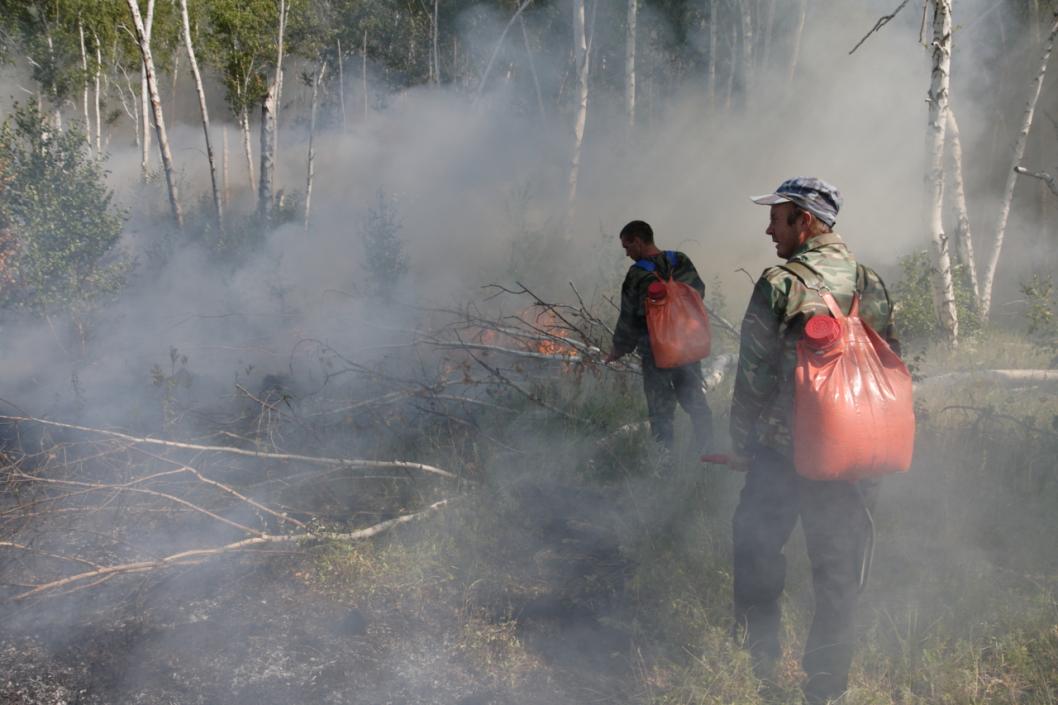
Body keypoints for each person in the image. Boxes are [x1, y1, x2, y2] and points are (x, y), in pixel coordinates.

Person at [729, 178, 899, 704]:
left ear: (805, 221)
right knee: (837, 571)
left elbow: (753, 371)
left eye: (777, 217)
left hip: (783, 451)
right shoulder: (868, 281)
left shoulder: (779, 282)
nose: (768, 227)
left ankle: (760, 657)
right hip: (850, 455)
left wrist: (741, 437)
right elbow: (891, 360)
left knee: (756, 544)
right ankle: (826, 689)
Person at [604, 220, 713, 453]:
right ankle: (708, 452)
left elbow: (629, 317)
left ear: (639, 241)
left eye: (628, 247)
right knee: (696, 403)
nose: (627, 253)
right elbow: (699, 291)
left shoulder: (636, 274)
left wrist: (619, 348)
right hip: (688, 348)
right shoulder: (679, 260)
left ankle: (664, 464)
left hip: (656, 353)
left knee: (661, 412)